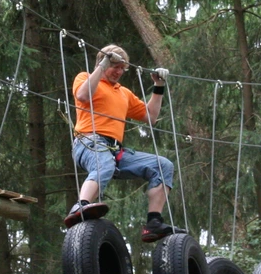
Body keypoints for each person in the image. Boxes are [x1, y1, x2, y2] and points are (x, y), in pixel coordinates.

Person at [64, 44, 185, 243]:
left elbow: (150, 117)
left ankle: (153, 222)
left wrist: (159, 86)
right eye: (115, 67)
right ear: (102, 64)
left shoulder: (123, 93)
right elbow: (83, 96)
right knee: (104, 164)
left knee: (163, 166)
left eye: (122, 68)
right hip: (88, 141)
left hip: (115, 150)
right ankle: (81, 205)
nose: (119, 72)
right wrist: (101, 67)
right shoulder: (85, 77)